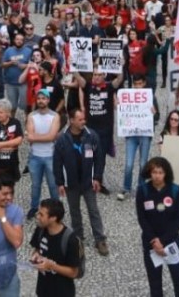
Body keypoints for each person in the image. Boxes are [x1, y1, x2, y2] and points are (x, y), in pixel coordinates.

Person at [52, 109, 109, 256]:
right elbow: (56, 162)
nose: (84, 122)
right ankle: (78, 239)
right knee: (74, 212)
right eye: (80, 119)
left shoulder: (92, 136)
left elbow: (99, 159)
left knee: (93, 210)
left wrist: (97, 177)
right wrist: (59, 183)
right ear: (71, 120)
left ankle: (100, 239)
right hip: (70, 184)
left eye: (84, 119)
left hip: (88, 182)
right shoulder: (62, 139)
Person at [135, 157, 179, 297]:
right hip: (150, 243)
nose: (157, 176)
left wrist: (163, 241)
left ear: (166, 173)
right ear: (149, 173)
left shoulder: (175, 191)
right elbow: (142, 219)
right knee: (154, 281)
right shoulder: (142, 191)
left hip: (171, 242)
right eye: (154, 172)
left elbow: (177, 220)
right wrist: (154, 240)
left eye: (160, 172)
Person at [29, 198, 83, 297]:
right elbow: (37, 249)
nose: (37, 216)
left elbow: (74, 272)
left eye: (41, 214)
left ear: (53, 218)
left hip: (62, 292)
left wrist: (51, 266)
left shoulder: (70, 240)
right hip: (42, 290)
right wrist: (36, 255)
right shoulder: (40, 229)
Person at [119, 75, 157, 201]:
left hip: (145, 135)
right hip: (131, 135)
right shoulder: (128, 96)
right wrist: (119, 106)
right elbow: (123, 114)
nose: (138, 86)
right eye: (135, 84)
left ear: (144, 83)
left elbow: (158, 116)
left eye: (140, 83)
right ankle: (126, 187)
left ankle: (141, 188)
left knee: (142, 164)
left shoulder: (150, 96)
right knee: (129, 164)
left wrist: (154, 113)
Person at [25, 88, 60, 212]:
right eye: (39, 98)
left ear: (48, 100)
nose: (41, 101)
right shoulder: (31, 116)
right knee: (35, 186)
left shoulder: (55, 116)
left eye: (43, 98)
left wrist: (36, 137)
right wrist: (47, 136)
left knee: (53, 186)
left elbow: (50, 137)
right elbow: (30, 137)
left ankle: (57, 209)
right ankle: (34, 207)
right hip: (35, 156)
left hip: (51, 156)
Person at [0, 98, 24, 183]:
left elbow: (19, 140)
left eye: (1, 112)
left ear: (7, 112)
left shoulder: (15, 123)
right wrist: (10, 146)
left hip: (12, 164)